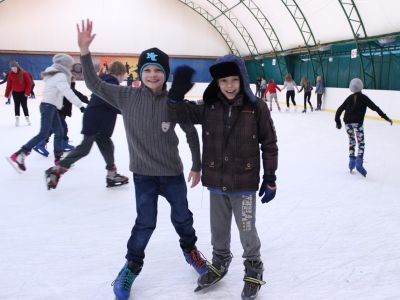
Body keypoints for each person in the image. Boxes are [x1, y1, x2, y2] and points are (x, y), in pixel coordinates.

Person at [71, 19, 207, 300]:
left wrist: (197, 164)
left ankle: (190, 251)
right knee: (145, 222)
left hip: (172, 174)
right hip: (143, 175)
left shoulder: (174, 102)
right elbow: (94, 84)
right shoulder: (126, 96)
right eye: (148, 69)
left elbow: (191, 133)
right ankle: (131, 267)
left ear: (165, 74)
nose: (153, 74)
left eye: (158, 70)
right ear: (140, 72)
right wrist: (84, 52)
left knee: (183, 217)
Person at [167, 55, 278, 300]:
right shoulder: (209, 106)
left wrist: (270, 176)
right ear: (216, 83)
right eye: (224, 81)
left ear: (242, 80)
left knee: (247, 230)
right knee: (218, 230)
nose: (229, 86)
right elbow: (180, 113)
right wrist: (175, 94)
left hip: (245, 183)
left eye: (234, 80)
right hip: (216, 181)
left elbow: (269, 143)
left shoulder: (256, 107)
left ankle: (253, 267)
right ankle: (220, 260)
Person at [45, 61, 129, 188]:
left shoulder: (105, 82)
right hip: (96, 122)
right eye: (124, 75)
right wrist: (129, 111)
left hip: (97, 121)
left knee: (107, 146)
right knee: (84, 149)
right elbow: (113, 104)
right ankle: (57, 169)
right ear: (121, 73)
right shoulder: (111, 84)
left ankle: (112, 174)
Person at [7, 54, 86, 173]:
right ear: (64, 65)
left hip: (50, 107)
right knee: (43, 134)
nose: (70, 67)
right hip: (48, 107)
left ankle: (58, 159)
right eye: (69, 65)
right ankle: (20, 153)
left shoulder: (54, 73)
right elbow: (67, 91)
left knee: (59, 132)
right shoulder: (60, 75)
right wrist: (80, 105)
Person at [335, 78, 392, 177]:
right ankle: (358, 162)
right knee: (361, 143)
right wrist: (386, 117)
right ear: (361, 87)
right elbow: (375, 108)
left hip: (347, 123)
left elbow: (339, 110)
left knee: (352, 141)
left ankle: (351, 162)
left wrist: (338, 122)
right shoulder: (364, 98)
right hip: (357, 123)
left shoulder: (349, 98)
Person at [34, 76, 89, 157]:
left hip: (61, 111)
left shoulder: (68, 86)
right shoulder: (67, 87)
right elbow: (76, 94)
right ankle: (47, 144)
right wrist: (88, 101)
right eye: (73, 79)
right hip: (58, 110)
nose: (74, 80)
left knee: (54, 129)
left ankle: (45, 144)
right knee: (62, 128)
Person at [4, 61, 33, 126]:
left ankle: (27, 118)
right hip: (15, 93)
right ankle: (17, 119)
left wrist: (27, 93)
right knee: (16, 106)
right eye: (12, 68)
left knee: (24, 106)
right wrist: (7, 93)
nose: (13, 70)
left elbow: (29, 83)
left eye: (14, 68)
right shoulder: (10, 74)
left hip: (23, 93)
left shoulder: (24, 73)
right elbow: (9, 85)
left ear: (17, 67)